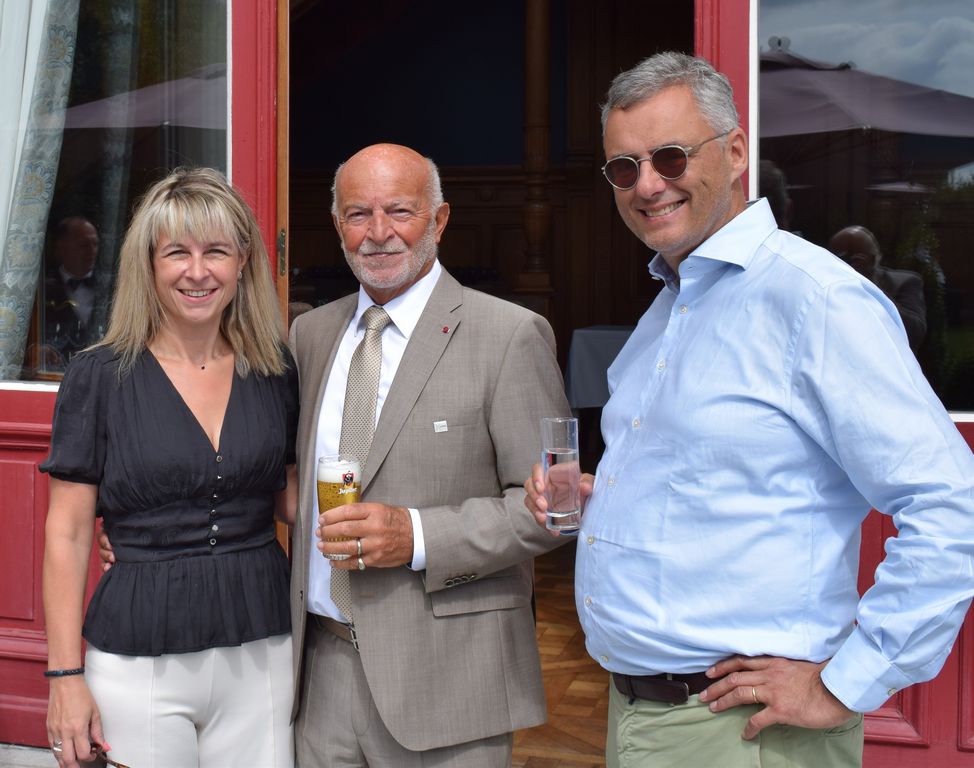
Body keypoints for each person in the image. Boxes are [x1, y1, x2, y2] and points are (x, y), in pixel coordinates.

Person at [524, 52, 974, 768]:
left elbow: (950, 504)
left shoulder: (814, 299)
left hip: (741, 732)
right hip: (647, 713)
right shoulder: (669, 306)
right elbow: (717, 481)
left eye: (670, 157)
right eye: (624, 168)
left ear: (735, 152)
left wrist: (848, 682)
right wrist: (601, 497)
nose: (647, 184)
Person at [288, 143, 569, 766]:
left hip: (449, 681)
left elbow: (554, 512)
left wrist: (416, 536)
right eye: (357, 214)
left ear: (439, 220)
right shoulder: (310, 334)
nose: (378, 232)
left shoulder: (509, 335)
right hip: (322, 673)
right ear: (336, 225)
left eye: (399, 211)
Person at [41, 167, 297, 768]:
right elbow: (68, 532)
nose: (197, 271)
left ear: (243, 262)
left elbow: (292, 500)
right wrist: (64, 677)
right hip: (137, 658)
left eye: (217, 252)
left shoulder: (274, 369)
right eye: (177, 252)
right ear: (149, 265)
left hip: (263, 649)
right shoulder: (100, 375)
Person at [828, 224, 927, 352]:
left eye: (857, 258)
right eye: (842, 259)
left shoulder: (904, 282)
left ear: (873, 259)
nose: (850, 265)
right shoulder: (827, 288)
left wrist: (870, 286)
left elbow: (915, 333)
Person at [43, 216, 101, 368]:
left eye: (95, 244)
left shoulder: (111, 287)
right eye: (83, 245)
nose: (91, 251)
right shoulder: (41, 290)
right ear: (61, 248)